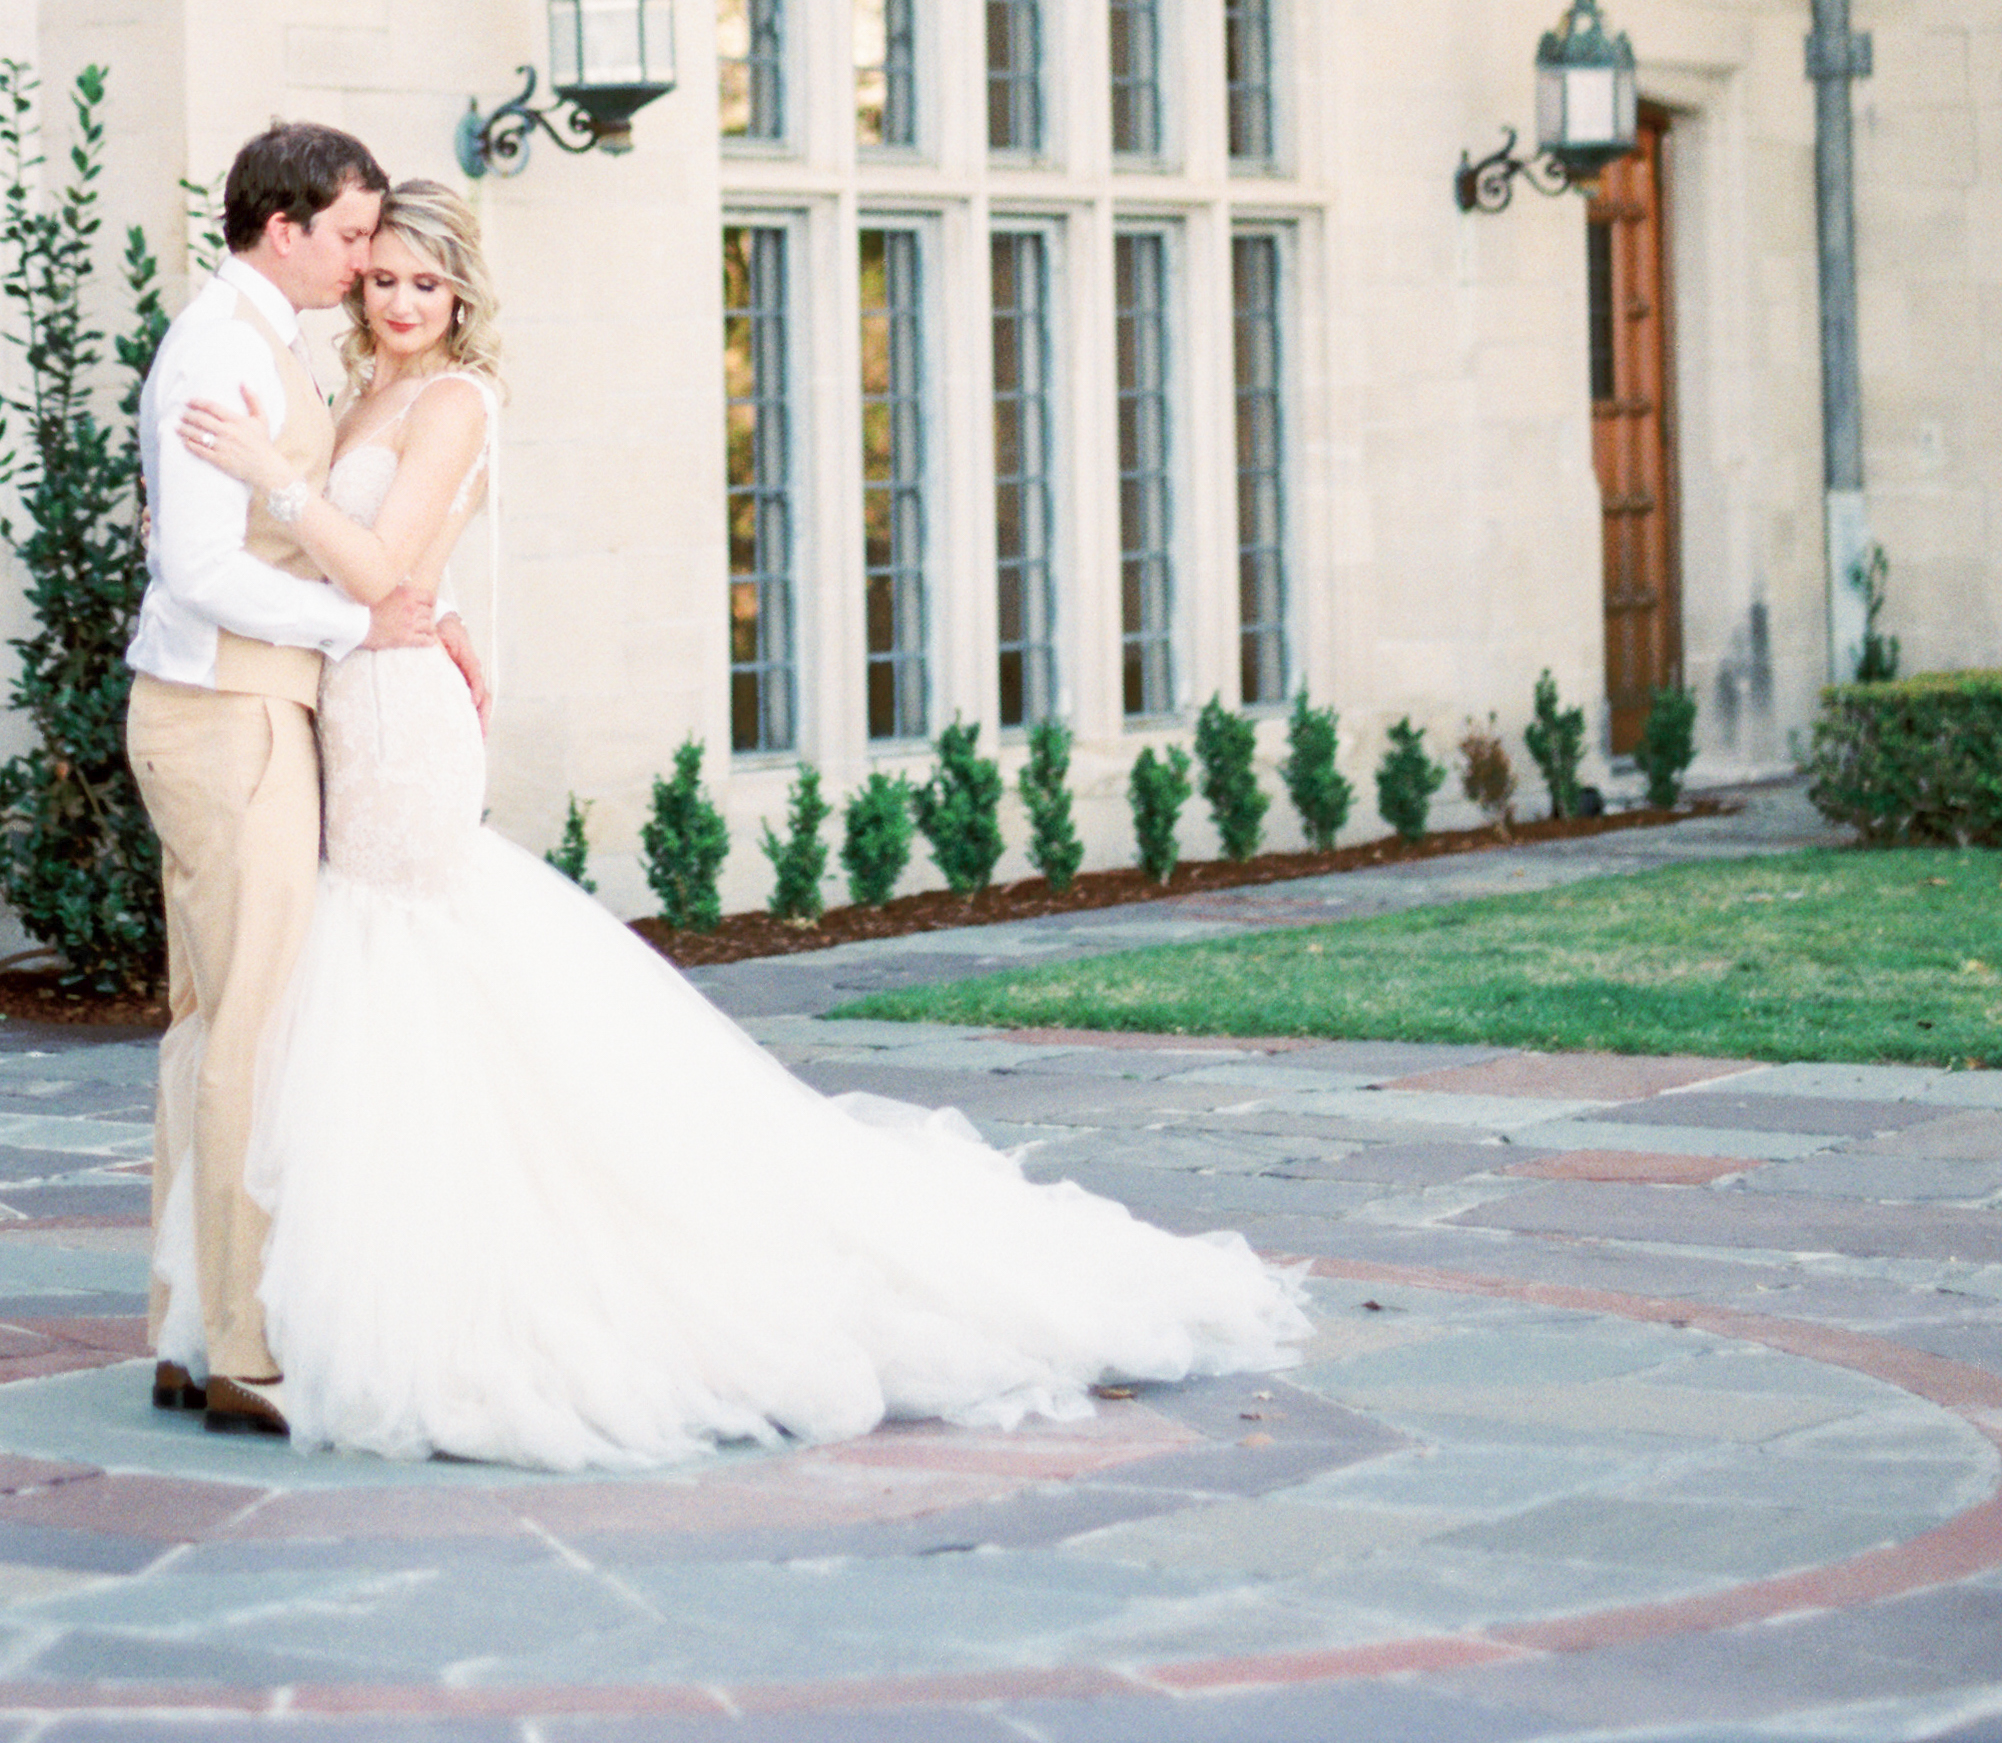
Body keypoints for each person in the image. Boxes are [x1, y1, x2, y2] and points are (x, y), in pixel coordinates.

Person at [177, 177, 1310, 1472]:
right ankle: (346, 1286)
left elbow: (378, 567)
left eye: (428, 285)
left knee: (407, 961)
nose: (401, 305)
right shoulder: (362, 390)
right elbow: (384, 572)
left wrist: (274, 483)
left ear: (464, 294)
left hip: (394, 723)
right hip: (350, 687)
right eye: (382, 279)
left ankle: (457, 1301)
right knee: (384, 974)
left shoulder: (450, 398)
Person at [121, 120, 454, 1441]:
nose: (369, 263)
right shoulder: (222, 351)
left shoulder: (257, 339)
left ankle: (185, 1328)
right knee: (244, 1028)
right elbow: (196, 569)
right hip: (232, 711)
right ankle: (243, 1349)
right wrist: (353, 623)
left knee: (209, 1023)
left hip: (222, 706)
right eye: (355, 236)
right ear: (288, 229)